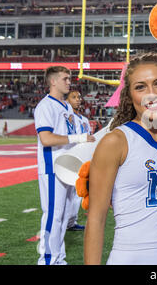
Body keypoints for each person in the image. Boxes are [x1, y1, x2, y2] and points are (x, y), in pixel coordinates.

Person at [84, 53, 157, 265]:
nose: (151, 94)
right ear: (129, 96)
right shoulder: (116, 142)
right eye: (140, 87)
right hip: (133, 256)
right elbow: (96, 219)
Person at [34, 66, 96, 265]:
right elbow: (46, 138)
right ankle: (47, 261)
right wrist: (79, 137)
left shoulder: (66, 107)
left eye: (69, 78)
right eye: (65, 78)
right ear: (53, 81)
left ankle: (58, 259)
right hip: (53, 167)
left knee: (62, 217)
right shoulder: (45, 106)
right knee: (53, 216)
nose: (69, 82)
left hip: (68, 166)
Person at [65, 90, 90, 232]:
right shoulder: (68, 117)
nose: (78, 99)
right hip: (70, 157)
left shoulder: (84, 120)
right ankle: (65, 221)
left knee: (77, 192)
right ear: (67, 101)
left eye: (79, 97)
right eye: (73, 97)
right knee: (68, 193)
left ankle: (71, 221)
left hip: (81, 157)